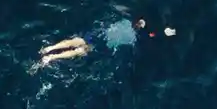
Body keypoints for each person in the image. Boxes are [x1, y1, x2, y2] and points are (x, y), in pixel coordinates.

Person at [33, 18, 169, 70]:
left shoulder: (125, 21)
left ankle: (50, 48)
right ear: (139, 29)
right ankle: (52, 57)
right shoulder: (132, 38)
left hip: (98, 33)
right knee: (82, 50)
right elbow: (115, 46)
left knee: (78, 40)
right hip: (103, 43)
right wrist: (162, 33)